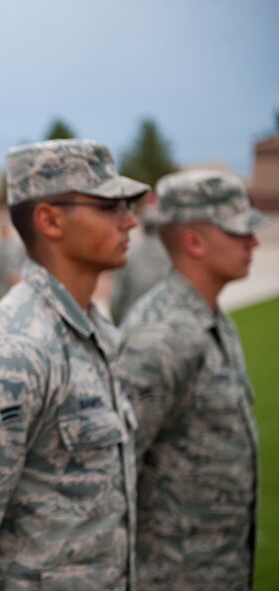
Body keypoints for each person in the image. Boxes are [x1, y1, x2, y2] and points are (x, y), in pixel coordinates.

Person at [0, 138, 146, 590]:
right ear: (50, 220)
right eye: (109, 207)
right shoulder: (15, 349)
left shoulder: (100, 333)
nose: (129, 219)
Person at [115, 170, 267, 590]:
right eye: (238, 231)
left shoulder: (213, 319)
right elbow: (115, 470)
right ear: (194, 241)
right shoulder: (162, 336)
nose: (252, 241)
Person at [109, 198, 171, 325]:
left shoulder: (129, 254)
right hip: (166, 324)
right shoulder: (172, 254)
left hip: (132, 323)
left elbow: (117, 298)